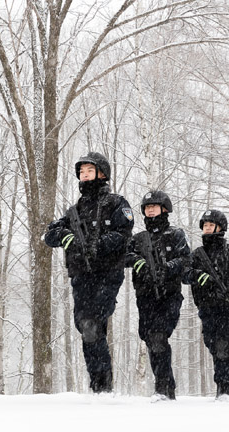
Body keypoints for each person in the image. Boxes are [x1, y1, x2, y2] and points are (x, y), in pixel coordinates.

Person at [44, 152, 134, 394]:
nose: (84, 175)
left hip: (107, 273)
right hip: (82, 275)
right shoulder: (76, 210)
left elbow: (124, 234)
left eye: (89, 171)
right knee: (86, 327)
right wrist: (64, 235)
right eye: (81, 172)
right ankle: (97, 385)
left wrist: (99, 245)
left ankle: (103, 388)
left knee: (94, 324)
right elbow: (49, 235)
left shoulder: (116, 203)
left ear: (102, 173)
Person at [125, 190, 190, 401]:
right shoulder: (138, 239)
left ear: (164, 208)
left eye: (154, 206)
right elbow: (124, 255)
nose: (150, 210)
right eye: (147, 207)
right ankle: (167, 386)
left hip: (169, 295)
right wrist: (137, 262)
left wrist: (168, 267)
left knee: (159, 337)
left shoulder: (176, 234)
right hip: (145, 297)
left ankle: (162, 387)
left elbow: (186, 260)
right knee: (151, 340)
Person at [183, 210, 229, 399]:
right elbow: (185, 274)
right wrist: (199, 276)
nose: (207, 229)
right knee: (213, 346)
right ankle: (224, 387)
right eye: (204, 226)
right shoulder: (197, 254)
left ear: (220, 228)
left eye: (210, 225)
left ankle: (226, 389)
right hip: (207, 308)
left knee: (223, 346)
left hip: (228, 308)